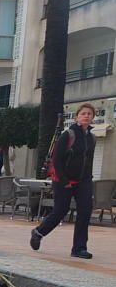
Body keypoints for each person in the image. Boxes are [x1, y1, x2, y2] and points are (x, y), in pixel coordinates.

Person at [30, 103, 97, 259]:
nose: (86, 116)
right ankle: (39, 232)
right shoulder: (68, 135)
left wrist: (88, 178)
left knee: (85, 211)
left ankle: (79, 248)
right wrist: (65, 180)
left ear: (92, 117)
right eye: (83, 113)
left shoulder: (92, 138)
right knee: (60, 211)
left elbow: (89, 161)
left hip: (84, 181)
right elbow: (57, 160)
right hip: (63, 180)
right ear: (77, 117)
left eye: (89, 114)